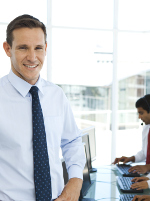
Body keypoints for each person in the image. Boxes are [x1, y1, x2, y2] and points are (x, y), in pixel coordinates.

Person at [0, 14, 85, 201]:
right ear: (8, 49)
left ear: (45, 49)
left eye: (38, 48)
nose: (32, 57)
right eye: (23, 48)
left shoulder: (57, 95)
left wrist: (75, 182)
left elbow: (72, 141)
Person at [113, 94, 150, 174]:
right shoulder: (146, 128)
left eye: (141, 113)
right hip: (148, 174)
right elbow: (144, 152)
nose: (139, 117)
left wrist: (147, 167)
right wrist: (131, 159)